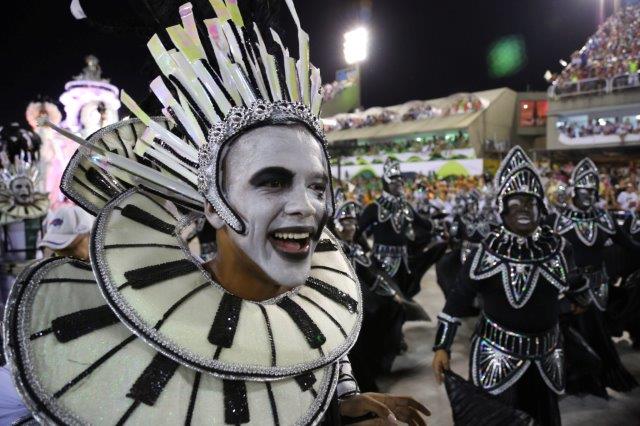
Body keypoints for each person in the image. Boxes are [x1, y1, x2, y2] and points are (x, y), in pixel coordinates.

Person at [5, 2, 430, 424]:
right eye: (273, 181)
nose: (307, 207)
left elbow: (324, 361)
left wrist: (346, 407)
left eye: (317, 185)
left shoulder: (318, 302)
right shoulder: (130, 322)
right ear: (212, 205)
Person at [432, 146, 585, 426]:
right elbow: (457, 298)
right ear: (502, 210)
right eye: (515, 203)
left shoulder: (560, 249)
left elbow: (576, 291)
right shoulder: (487, 252)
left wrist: (580, 292)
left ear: (542, 208)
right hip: (496, 355)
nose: (524, 209)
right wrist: (442, 346)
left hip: (547, 355)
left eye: (531, 202)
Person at [546, 158, 639, 396]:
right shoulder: (557, 219)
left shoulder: (605, 218)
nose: (587, 195)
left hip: (598, 284)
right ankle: (571, 380)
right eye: (583, 190)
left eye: (591, 190)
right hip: (567, 287)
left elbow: (629, 245)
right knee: (569, 334)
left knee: (597, 331)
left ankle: (597, 377)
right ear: (574, 190)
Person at [357, 158, 440, 298]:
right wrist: (356, 249)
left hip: (403, 261)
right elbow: (357, 230)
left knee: (403, 296)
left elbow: (422, 223)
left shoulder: (406, 206)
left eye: (401, 182)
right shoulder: (374, 207)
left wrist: (438, 226)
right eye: (395, 182)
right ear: (386, 184)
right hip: (381, 262)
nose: (399, 185)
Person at [0, 151, 49, 305]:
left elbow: (50, 244)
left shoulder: (43, 214)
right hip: (10, 276)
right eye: (19, 186)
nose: (24, 190)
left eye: (27, 186)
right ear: (11, 190)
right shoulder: (3, 219)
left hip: (36, 272)